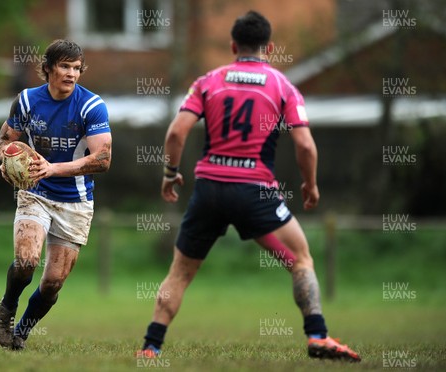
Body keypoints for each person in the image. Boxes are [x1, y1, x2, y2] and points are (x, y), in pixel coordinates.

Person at [138, 11, 360, 362]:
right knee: (301, 259)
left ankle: (151, 346)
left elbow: (176, 132)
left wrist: (169, 174)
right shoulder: (282, 85)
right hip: (255, 191)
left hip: (209, 187)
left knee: (180, 272)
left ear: (232, 46)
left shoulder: (208, 81)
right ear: (268, 47)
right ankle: (317, 336)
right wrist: (310, 185)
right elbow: (305, 145)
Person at [0, 39, 112, 350]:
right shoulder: (27, 101)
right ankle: (6, 309)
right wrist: (7, 160)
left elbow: (102, 159)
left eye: (76, 68)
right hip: (35, 192)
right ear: (47, 69)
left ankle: (22, 331)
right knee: (27, 259)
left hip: (75, 201)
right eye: (64, 66)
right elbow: (5, 140)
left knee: (53, 283)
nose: (71, 74)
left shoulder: (91, 106)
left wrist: (53, 168)